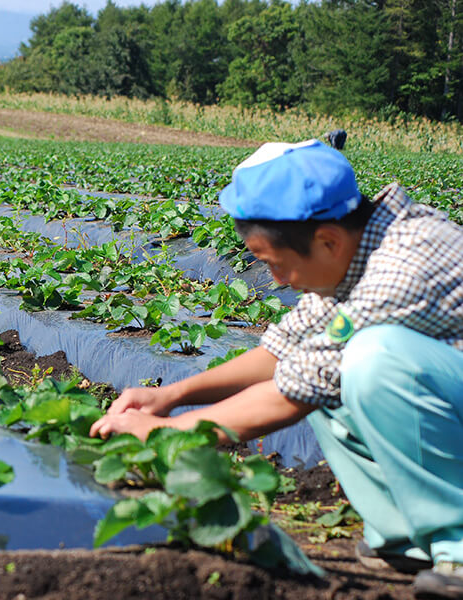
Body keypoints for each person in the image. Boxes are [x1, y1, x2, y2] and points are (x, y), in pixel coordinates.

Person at [90, 139, 463, 599]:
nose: (277, 281)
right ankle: (409, 537)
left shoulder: (404, 265)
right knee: (334, 364)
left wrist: (166, 434)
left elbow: (292, 392)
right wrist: (169, 397)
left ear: (327, 240)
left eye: (276, 264)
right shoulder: (360, 246)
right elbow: (284, 350)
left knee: (370, 359)